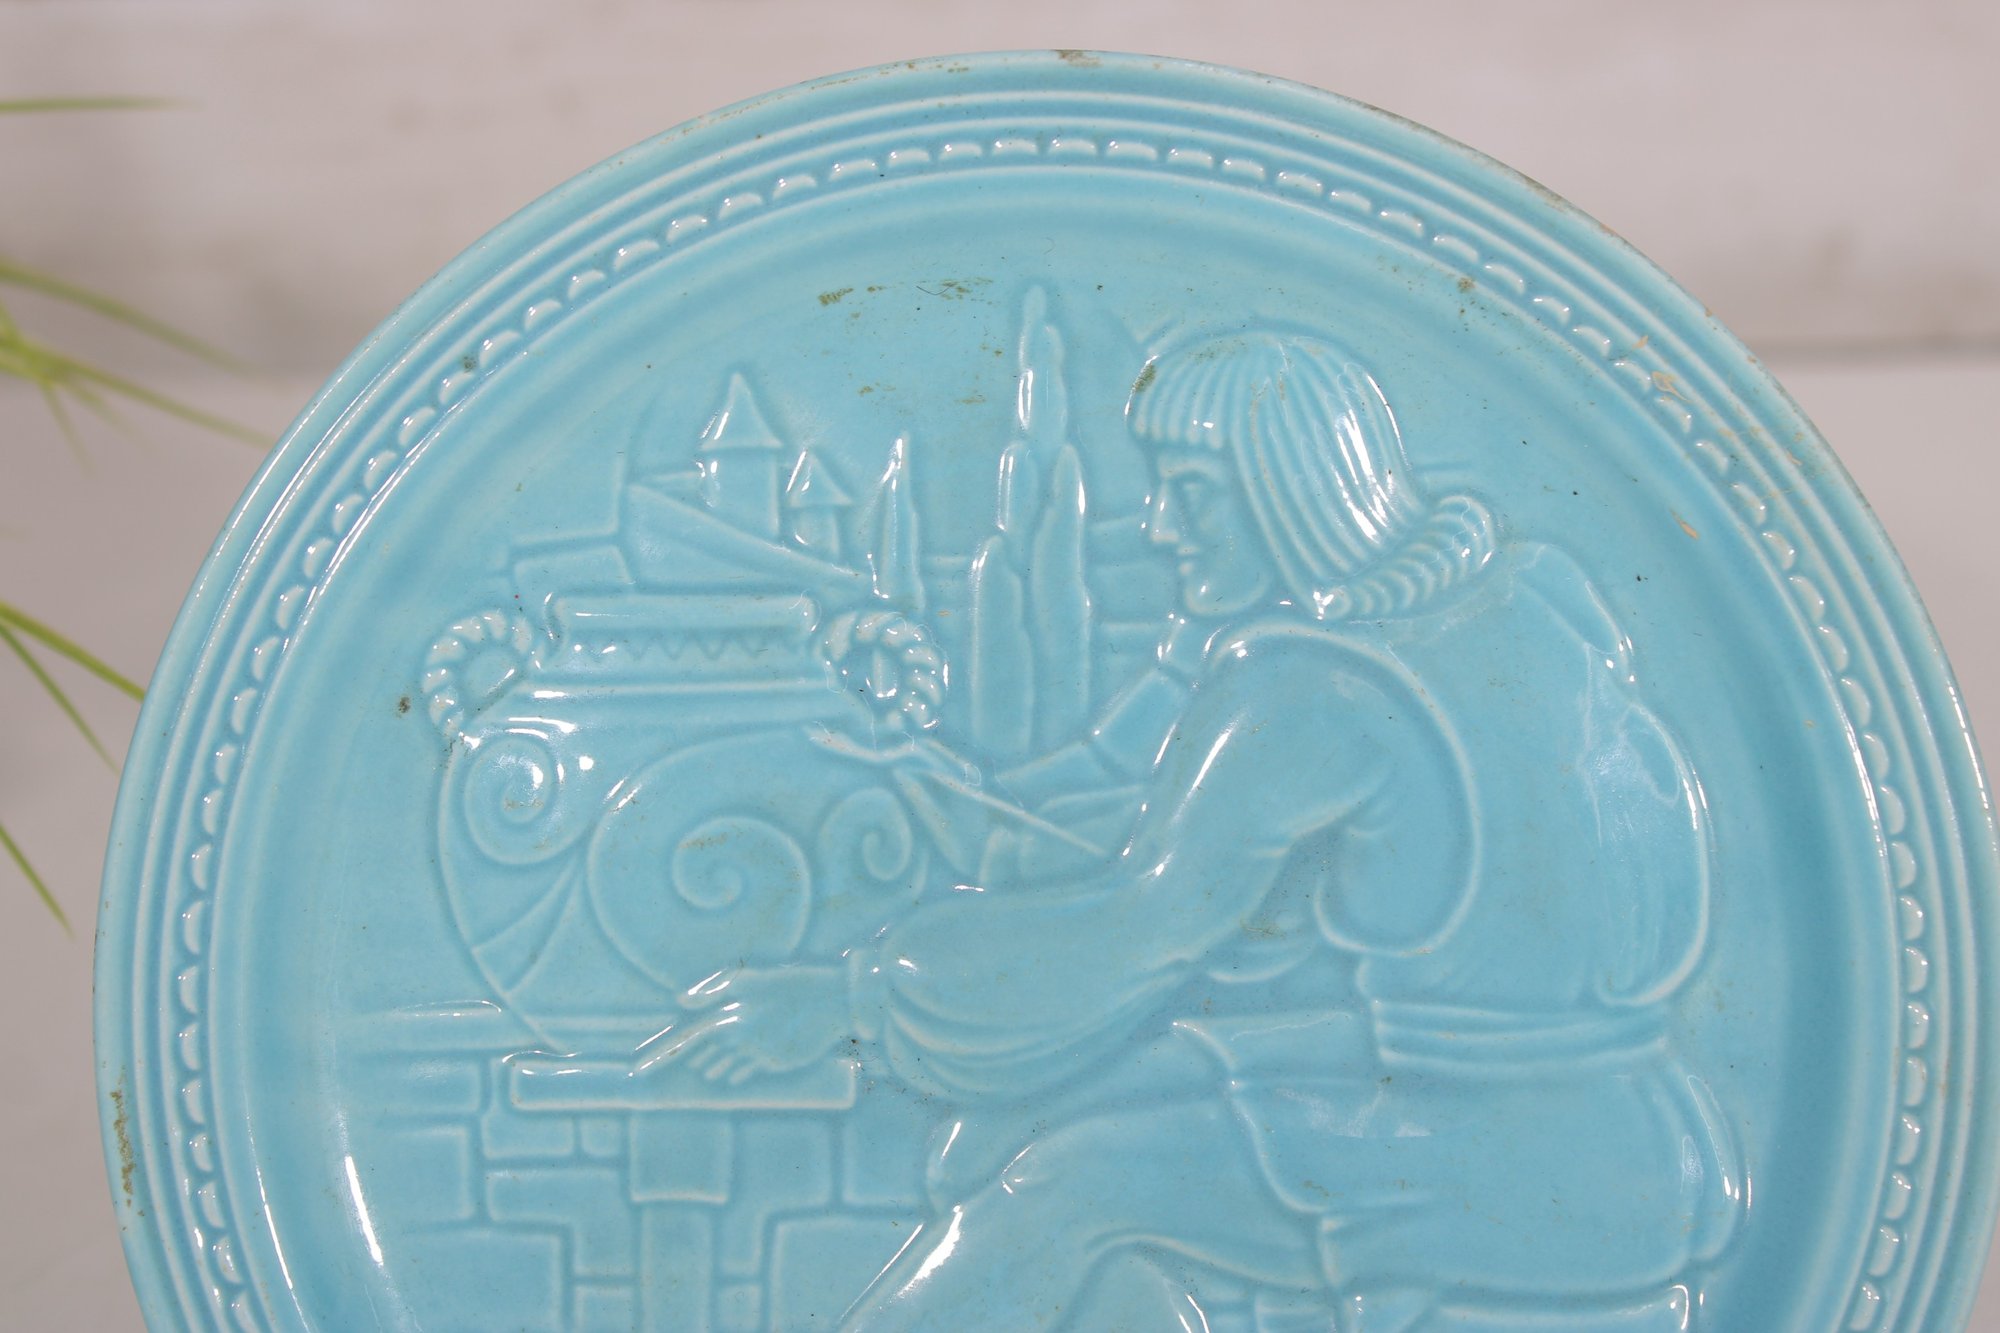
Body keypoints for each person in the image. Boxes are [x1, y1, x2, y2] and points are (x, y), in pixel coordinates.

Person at [663, 332, 1744, 1330]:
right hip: (1636, 1132)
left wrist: (851, 1002)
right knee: (1023, 1122)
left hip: (1506, 1153)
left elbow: (1129, 935)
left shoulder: (1315, 688)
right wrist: (932, 774)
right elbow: (1148, 843)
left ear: (1287, 499)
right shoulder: (1530, 600)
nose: (1157, 527)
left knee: (1065, 1185)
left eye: (1189, 493)